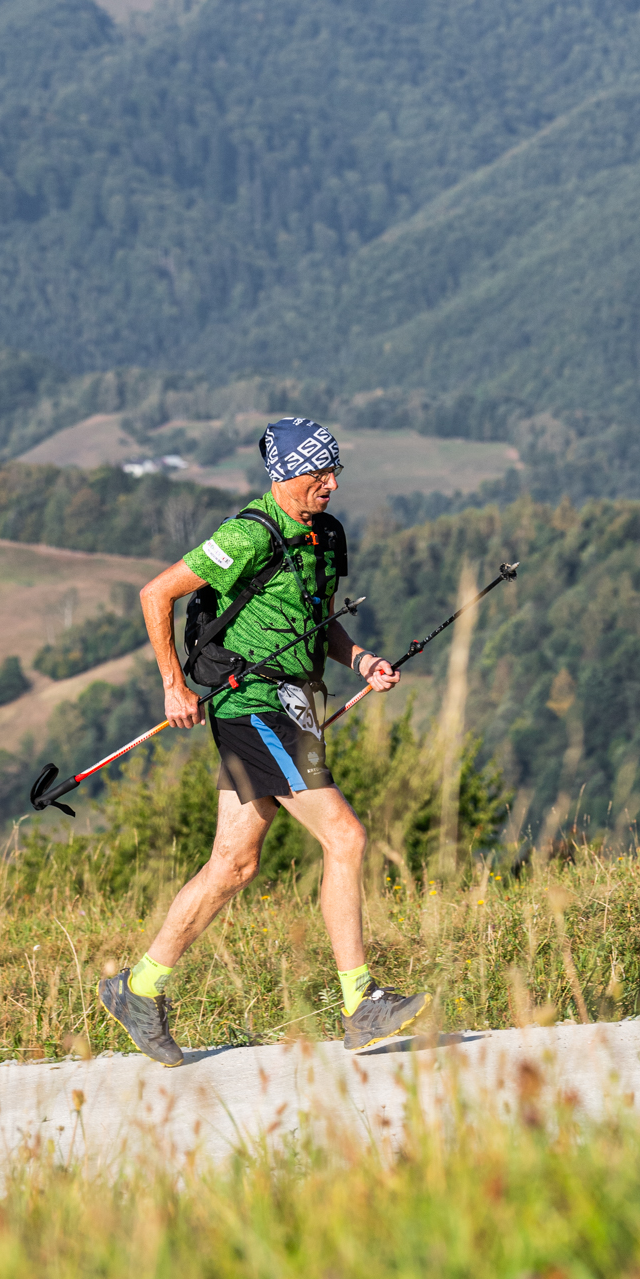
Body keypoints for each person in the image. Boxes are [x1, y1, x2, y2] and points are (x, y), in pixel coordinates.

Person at [98, 415, 431, 1066]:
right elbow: (156, 593)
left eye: (335, 472)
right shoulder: (247, 535)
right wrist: (173, 685)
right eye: (318, 473)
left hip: (296, 705)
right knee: (346, 837)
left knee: (234, 865)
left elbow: (317, 621)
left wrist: (361, 660)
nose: (331, 484)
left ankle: (138, 988)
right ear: (284, 475)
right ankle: (359, 1001)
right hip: (253, 707)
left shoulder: (325, 535)